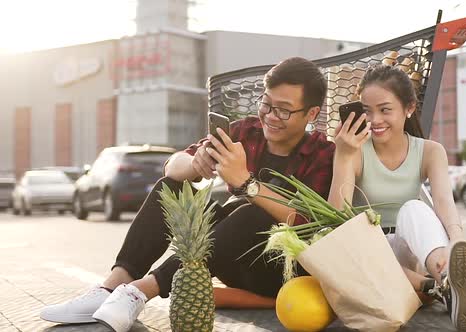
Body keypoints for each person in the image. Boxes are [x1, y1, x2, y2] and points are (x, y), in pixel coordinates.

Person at [40, 57, 335, 332]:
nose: (270, 116)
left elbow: (307, 220)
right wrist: (195, 163)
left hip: (282, 272)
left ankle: (141, 291)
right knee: (170, 189)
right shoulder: (245, 132)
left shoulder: (322, 154)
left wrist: (247, 184)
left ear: (311, 113)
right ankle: (112, 288)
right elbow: (172, 165)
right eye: (266, 104)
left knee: (252, 211)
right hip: (229, 257)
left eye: (283, 110)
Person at [327, 64, 466, 332]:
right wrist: (344, 155)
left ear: (409, 108)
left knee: (414, 208)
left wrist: (457, 237)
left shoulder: (430, 151)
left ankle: (446, 280)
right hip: (368, 259)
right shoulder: (354, 151)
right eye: (367, 111)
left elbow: (443, 202)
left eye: (385, 110)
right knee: (357, 237)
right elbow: (337, 218)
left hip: (410, 254)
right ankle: (440, 289)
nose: (375, 120)